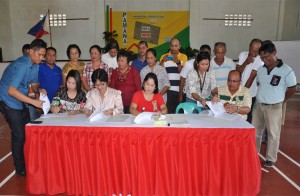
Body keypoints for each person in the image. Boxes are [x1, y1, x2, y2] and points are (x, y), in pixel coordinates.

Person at [0, 39, 47, 176]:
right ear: (31, 52)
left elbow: (33, 84)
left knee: (27, 132)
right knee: (19, 135)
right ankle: (20, 168)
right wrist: (33, 102)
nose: (42, 58)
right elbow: (11, 91)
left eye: (43, 55)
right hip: (8, 100)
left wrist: (39, 91)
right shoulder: (21, 65)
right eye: (39, 55)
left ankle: (28, 160)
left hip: (21, 100)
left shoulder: (35, 64)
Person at [253, 40, 297, 167]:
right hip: (259, 105)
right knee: (256, 132)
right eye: (262, 57)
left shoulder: (286, 70)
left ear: (274, 53)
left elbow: (292, 88)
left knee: (273, 134)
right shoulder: (261, 69)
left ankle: (270, 158)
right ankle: (253, 153)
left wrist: (281, 101)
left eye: (266, 57)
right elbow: (259, 84)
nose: (264, 60)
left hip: (275, 107)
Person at [236, 39, 263, 123]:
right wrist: (246, 62)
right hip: (238, 90)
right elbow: (237, 71)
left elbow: (251, 79)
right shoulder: (242, 54)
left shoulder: (260, 59)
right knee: (237, 114)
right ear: (249, 47)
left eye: (256, 51)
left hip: (250, 93)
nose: (254, 53)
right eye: (252, 50)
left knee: (247, 115)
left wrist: (242, 93)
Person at [159, 38, 188, 113]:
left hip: (180, 90)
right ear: (169, 46)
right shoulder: (164, 56)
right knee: (168, 113)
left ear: (179, 46)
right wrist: (162, 61)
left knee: (179, 113)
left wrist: (178, 63)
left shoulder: (184, 57)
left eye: (176, 46)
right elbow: (159, 72)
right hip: (167, 90)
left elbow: (183, 73)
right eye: (172, 46)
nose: (174, 48)